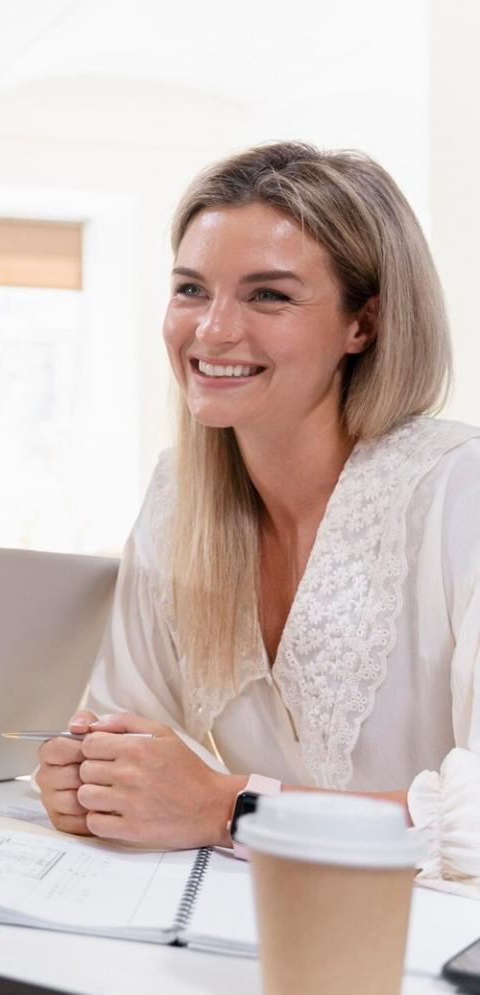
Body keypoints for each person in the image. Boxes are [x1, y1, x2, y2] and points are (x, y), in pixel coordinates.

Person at [34, 141, 479, 895]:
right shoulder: (177, 497)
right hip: (247, 938)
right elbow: (131, 728)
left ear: (361, 324)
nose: (211, 331)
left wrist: (228, 807)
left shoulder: (458, 491)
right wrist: (97, 783)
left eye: (267, 295)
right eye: (189, 289)